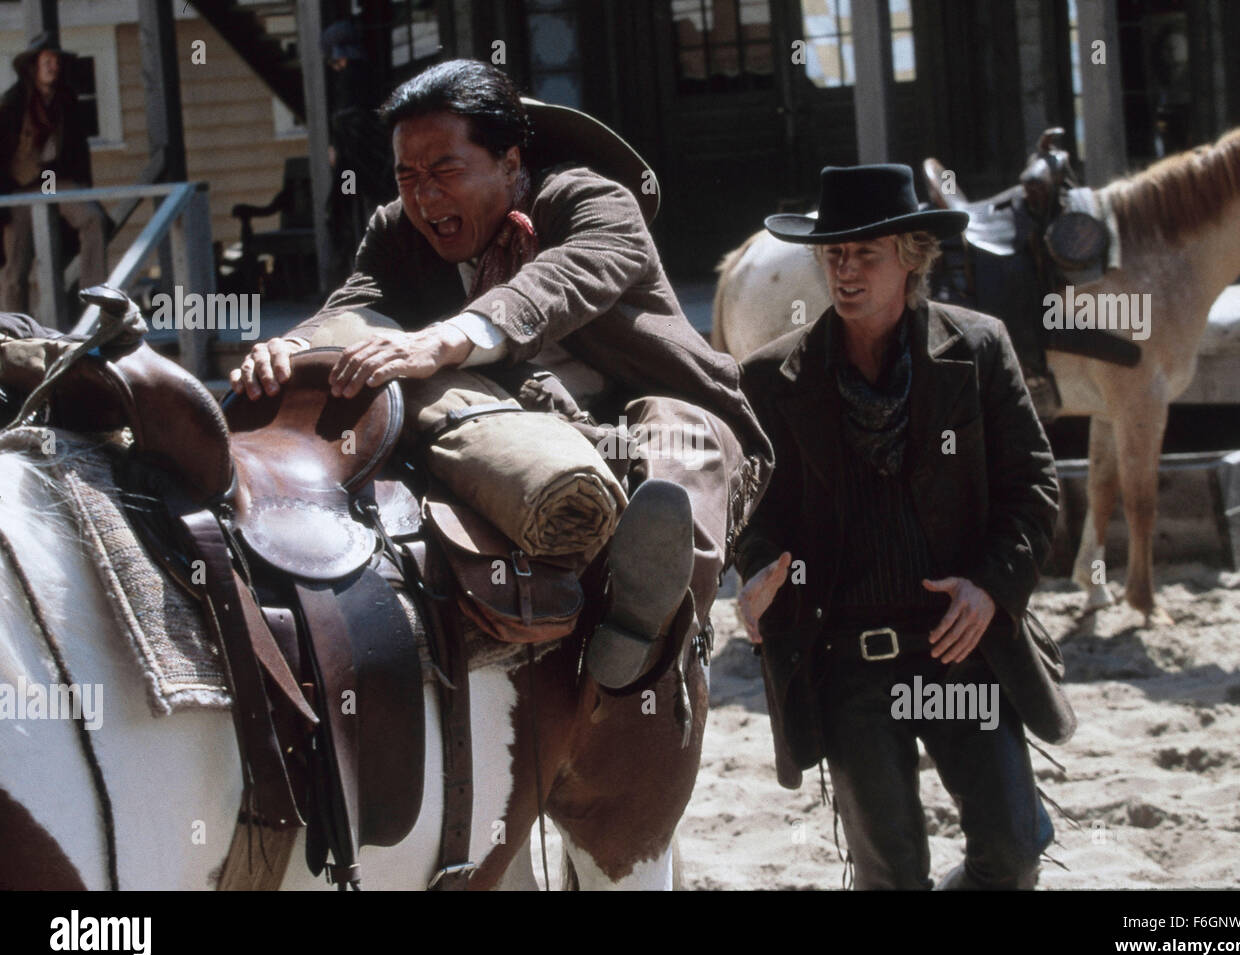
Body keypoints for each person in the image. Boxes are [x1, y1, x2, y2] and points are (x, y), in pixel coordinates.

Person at [231, 59, 772, 691]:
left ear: (511, 165)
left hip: (638, 407)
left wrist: (448, 337)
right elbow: (354, 304)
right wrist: (289, 350)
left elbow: (564, 280)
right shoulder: (397, 231)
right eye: (408, 175)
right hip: (517, 417)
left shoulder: (589, 201)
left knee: (684, 445)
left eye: (446, 171)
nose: (424, 196)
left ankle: (650, 624)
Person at [736, 165, 1075, 889]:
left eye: (866, 253)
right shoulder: (773, 379)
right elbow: (756, 513)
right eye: (833, 255)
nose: (845, 271)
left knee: (1013, 852)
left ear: (912, 257)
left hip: (963, 648)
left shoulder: (978, 351)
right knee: (892, 873)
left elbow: (1034, 489)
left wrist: (991, 587)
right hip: (851, 661)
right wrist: (760, 579)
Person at [0, 32, 106, 315]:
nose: (52, 67)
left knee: (93, 218)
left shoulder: (66, 101)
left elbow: (78, 150)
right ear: (33, 67)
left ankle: (94, 301)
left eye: (56, 62)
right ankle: (13, 332)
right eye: (47, 61)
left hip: (55, 181)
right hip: (19, 187)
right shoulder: (12, 103)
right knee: (15, 268)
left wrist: (85, 186)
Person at [319, 19, 395, 285]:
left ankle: (362, 274)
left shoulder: (357, 79)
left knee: (357, 214)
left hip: (360, 163)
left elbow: (353, 122)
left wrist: (340, 148)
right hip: (354, 164)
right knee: (349, 214)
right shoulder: (353, 78)